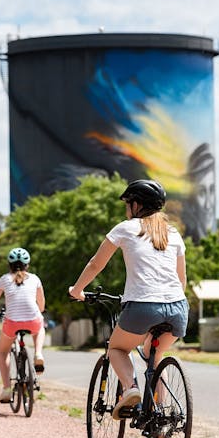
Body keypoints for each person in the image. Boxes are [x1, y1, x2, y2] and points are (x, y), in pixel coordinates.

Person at [68, 179, 188, 419]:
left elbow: (95, 264)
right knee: (154, 356)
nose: (126, 210)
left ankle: (130, 389)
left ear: (136, 205)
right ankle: (161, 417)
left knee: (117, 348)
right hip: (178, 308)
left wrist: (77, 290)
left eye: (128, 204)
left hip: (143, 306)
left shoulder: (125, 228)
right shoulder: (173, 233)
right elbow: (181, 277)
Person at [0, 247, 46, 403]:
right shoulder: (35, 279)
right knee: (40, 327)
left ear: (9, 264)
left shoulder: (4, 279)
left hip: (12, 322)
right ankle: (38, 353)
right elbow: (42, 305)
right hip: (32, 320)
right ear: (27, 265)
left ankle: (6, 389)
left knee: (3, 352)